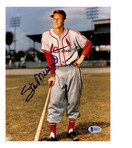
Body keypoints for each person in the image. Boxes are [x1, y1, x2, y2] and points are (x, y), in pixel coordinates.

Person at [41, 9, 92, 141]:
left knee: (74, 100)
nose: (55, 21)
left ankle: (71, 130)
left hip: (73, 70)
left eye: (59, 18)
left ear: (64, 21)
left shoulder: (73, 35)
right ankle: (53, 134)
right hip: (58, 71)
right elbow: (49, 57)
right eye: (54, 18)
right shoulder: (46, 35)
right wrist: (52, 75)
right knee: (55, 101)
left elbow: (87, 44)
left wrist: (81, 58)